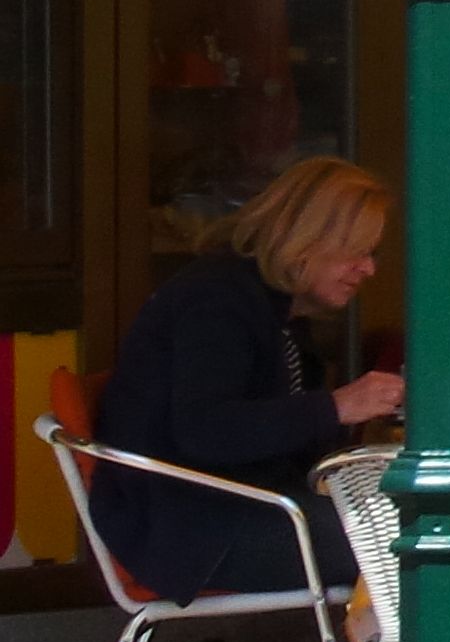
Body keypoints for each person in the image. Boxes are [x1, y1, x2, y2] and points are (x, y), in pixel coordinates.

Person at [94, 156, 401, 598]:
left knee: (408, 527)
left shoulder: (278, 309)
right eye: (357, 251)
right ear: (307, 241)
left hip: (232, 507)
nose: (368, 269)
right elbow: (204, 431)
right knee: (417, 548)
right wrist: (335, 406)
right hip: (191, 529)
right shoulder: (217, 303)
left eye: (372, 253)